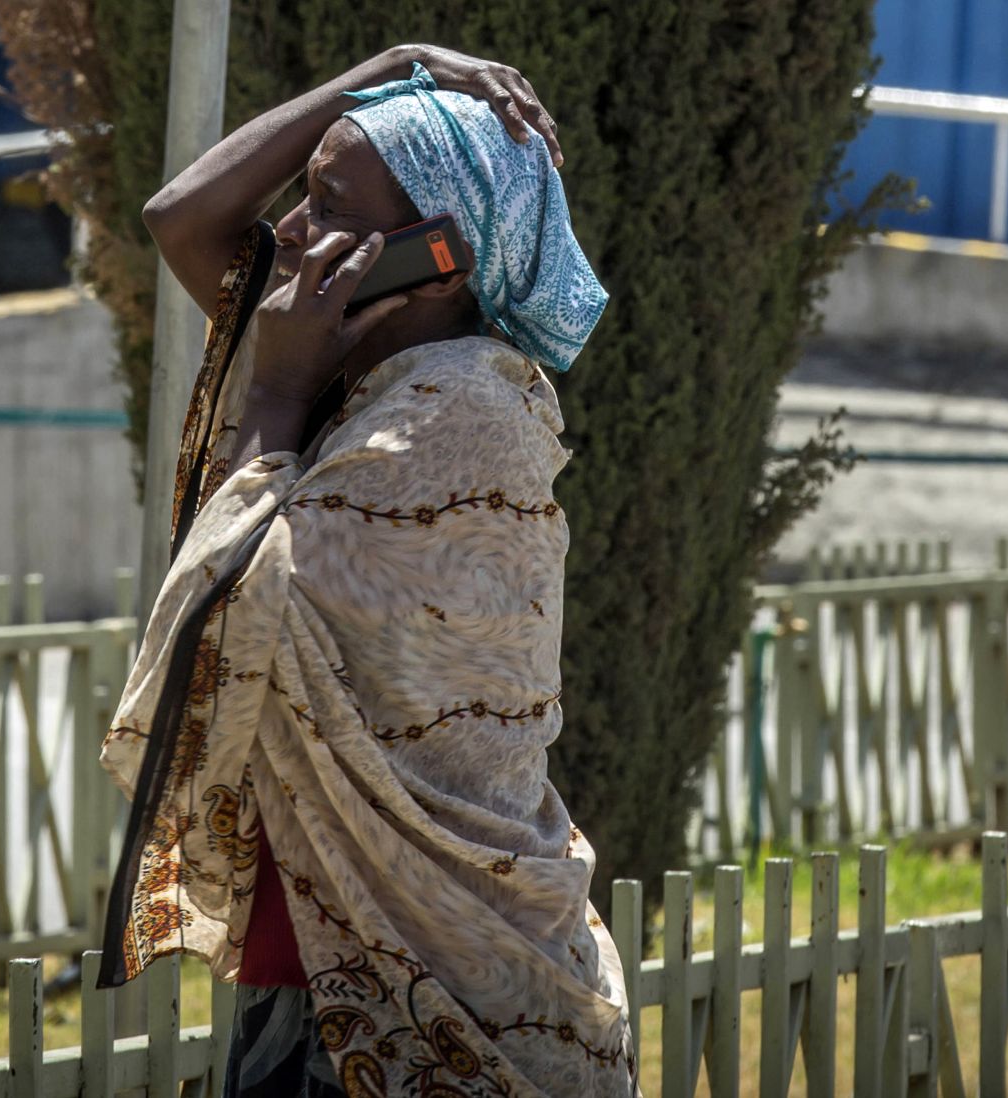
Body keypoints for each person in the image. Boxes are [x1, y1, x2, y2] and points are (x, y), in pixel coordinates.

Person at [98, 44, 633, 1097]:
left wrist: (275, 400)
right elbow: (181, 219)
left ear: (437, 253)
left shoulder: (459, 412)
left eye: (327, 203)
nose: (288, 228)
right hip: (313, 947)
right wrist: (377, 79)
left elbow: (224, 616)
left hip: (406, 972)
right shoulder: (348, 360)